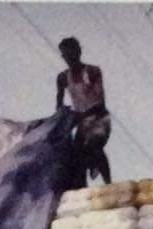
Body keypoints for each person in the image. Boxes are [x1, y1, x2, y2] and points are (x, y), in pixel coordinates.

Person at [56, 37, 112, 187]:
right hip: (82, 123)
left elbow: (99, 100)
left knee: (94, 145)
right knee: (74, 158)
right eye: (65, 55)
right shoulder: (62, 78)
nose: (69, 58)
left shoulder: (92, 71)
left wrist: (78, 116)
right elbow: (59, 105)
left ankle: (108, 184)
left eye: (71, 54)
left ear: (79, 52)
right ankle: (81, 189)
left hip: (99, 118)